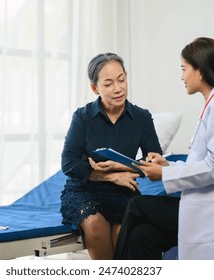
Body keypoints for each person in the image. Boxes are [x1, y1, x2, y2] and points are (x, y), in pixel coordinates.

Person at [114, 37, 214, 260]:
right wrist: (168, 165)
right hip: (210, 202)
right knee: (142, 235)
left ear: (201, 71)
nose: (182, 76)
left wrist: (165, 174)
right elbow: (203, 163)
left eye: (184, 69)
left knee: (137, 206)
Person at [60, 52, 162, 260]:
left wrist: (130, 168)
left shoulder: (142, 118)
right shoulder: (83, 117)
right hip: (84, 191)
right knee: (95, 225)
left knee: (122, 232)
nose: (118, 88)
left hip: (124, 192)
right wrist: (109, 176)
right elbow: (68, 162)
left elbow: (154, 161)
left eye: (121, 80)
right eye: (108, 84)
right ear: (94, 88)